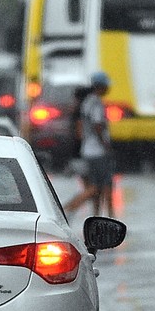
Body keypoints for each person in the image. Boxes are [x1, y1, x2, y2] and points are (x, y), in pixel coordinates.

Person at [63, 71, 116, 218]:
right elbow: (97, 125)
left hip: (88, 150)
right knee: (103, 186)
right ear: (101, 86)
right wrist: (106, 145)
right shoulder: (96, 103)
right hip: (97, 152)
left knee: (96, 188)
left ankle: (96, 217)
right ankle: (110, 217)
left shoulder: (86, 102)